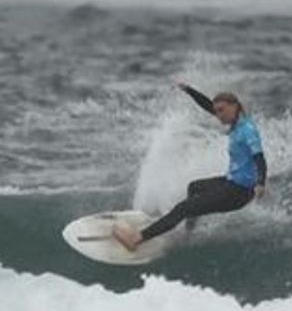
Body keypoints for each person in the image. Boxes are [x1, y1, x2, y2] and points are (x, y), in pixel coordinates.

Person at [112, 82, 267, 251]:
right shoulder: (236, 123)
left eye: (222, 110)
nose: (218, 115)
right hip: (231, 183)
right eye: (217, 111)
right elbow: (208, 105)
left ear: (234, 106)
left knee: (183, 208)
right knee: (194, 187)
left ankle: (135, 239)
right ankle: (188, 233)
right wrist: (189, 90)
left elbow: (259, 158)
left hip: (239, 192)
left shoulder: (248, 130)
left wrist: (261, 183)